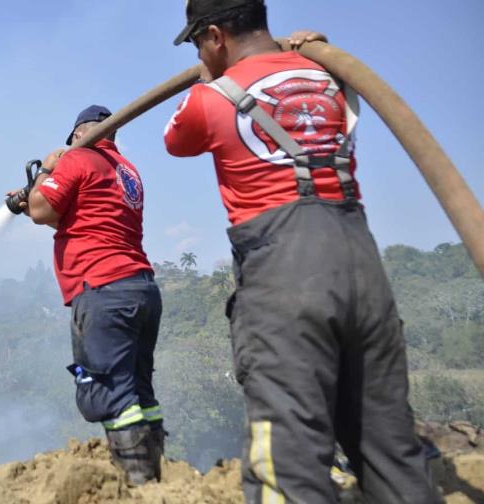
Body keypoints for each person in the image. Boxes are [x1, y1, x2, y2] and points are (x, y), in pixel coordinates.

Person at [164, 1, 442, 502]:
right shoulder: (326, 70)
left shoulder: (209, 98)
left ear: (215, 36)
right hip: (362, 261)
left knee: (287, 461)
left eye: (198, 42)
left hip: (284, 276)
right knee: (391, 449)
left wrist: (209, 74)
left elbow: (175, 141)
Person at [18, 105, 164, 484]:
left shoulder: (78, 157)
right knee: (139, 394)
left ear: (79, 135)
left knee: (110, 395)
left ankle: (139, 487)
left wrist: (50, 167)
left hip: (103, 289)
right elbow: (70, 211)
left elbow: (40, 208)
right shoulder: (127, 170)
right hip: (140, 286)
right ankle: (159, 480)